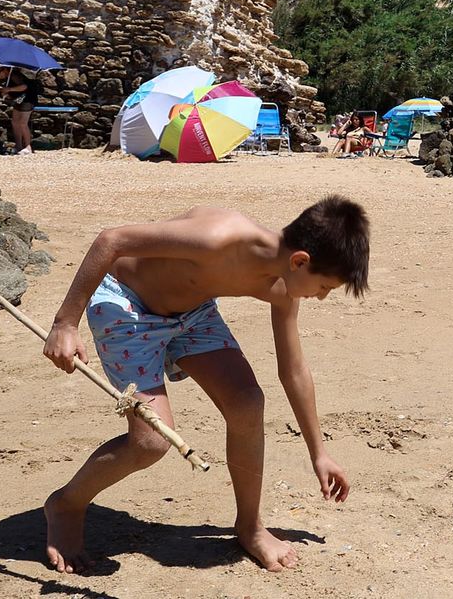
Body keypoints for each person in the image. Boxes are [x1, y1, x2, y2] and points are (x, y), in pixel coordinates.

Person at [41, 197, 369, 575]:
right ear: (300, 261)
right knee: (150, 442)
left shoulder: (283, 287)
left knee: (247, 402)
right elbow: (111, 240)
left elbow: (293, 370)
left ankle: (250, 527)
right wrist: (66, 323)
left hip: (193, 313)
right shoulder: (219, 237)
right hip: (127, 305)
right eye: (324, 286)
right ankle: (66, 504)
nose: (322, 296)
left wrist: (319, 453)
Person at [0, 66, 42, 155]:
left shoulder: (15, 75)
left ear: (5, 70)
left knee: (23, 123)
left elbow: (24, 87)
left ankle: (28, 146)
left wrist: (9, 89)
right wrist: (7, 94)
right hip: (20, 100)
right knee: (15, 122)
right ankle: (18, 146)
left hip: (28, 100)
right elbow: (16, 93)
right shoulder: (9, 78)